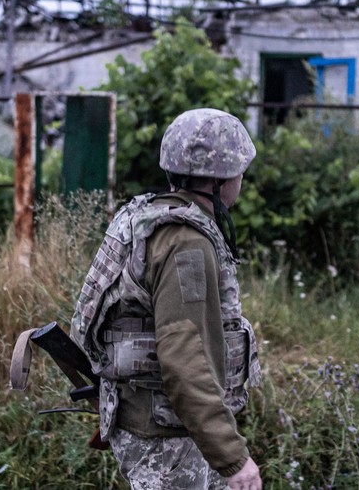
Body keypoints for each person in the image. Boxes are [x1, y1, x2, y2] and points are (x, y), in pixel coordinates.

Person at [70, 108, 263, 490]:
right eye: (240, 171)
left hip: (152, 426)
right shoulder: (185, 243)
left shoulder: (146, 217)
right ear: (220, 179)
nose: (242, 179)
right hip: (168, 440)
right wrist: (232, 458)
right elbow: (183, 357)